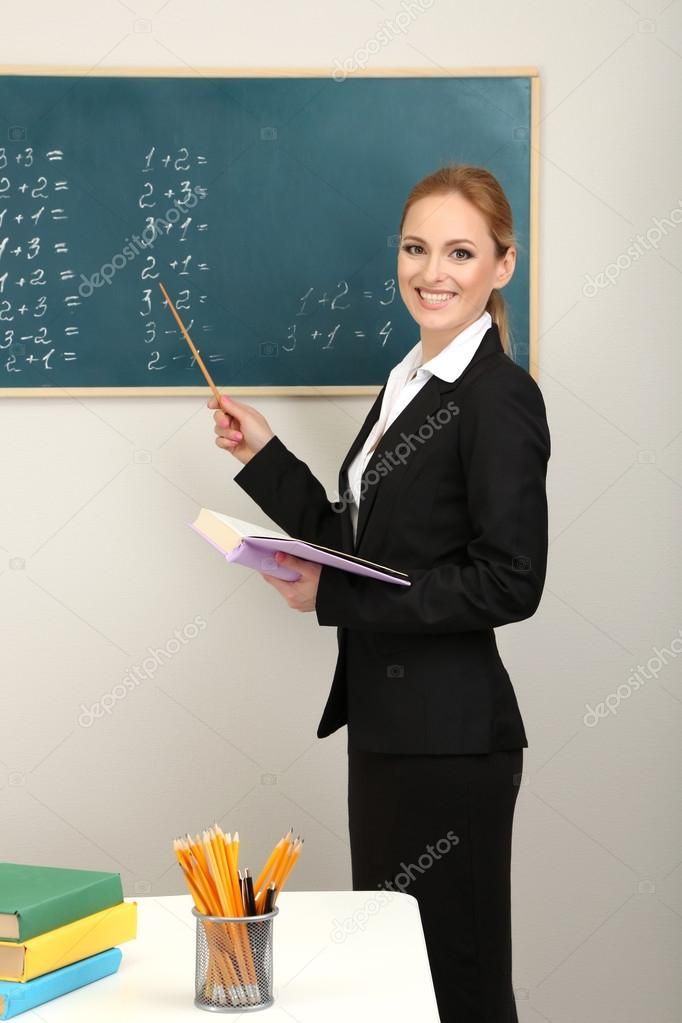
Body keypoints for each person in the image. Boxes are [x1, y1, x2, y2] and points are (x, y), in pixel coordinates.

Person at [207, 164, 551, 1022]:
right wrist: (264, 456)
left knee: (458, 985)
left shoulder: (499, 398)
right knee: (402, 986)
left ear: (502, 267)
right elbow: (360, 549)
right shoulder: (408, 381)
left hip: (453, 745)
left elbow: (511, 579)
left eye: (460, 252)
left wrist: (333, 600)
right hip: (392, 733)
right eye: (416, 247)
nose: (432, 271)